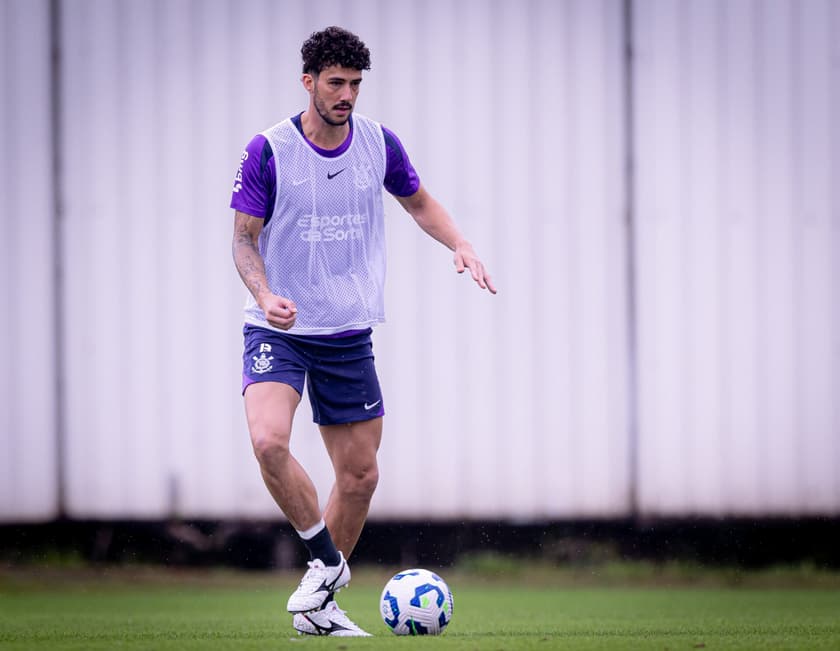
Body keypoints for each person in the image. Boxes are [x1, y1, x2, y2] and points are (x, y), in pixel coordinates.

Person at [230, 25, 496, 637]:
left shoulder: (378, 144)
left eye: (354, 84)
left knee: (361, 477)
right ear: (308, 82)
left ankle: (319, 609)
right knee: (269, 441)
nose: (347, 94)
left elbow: (419, 201)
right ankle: (327, 564)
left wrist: (460, 243)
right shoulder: (269, 150)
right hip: (281, 328)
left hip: (348, 333)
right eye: (335, 83)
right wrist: (265, 293)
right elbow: (244, 239)